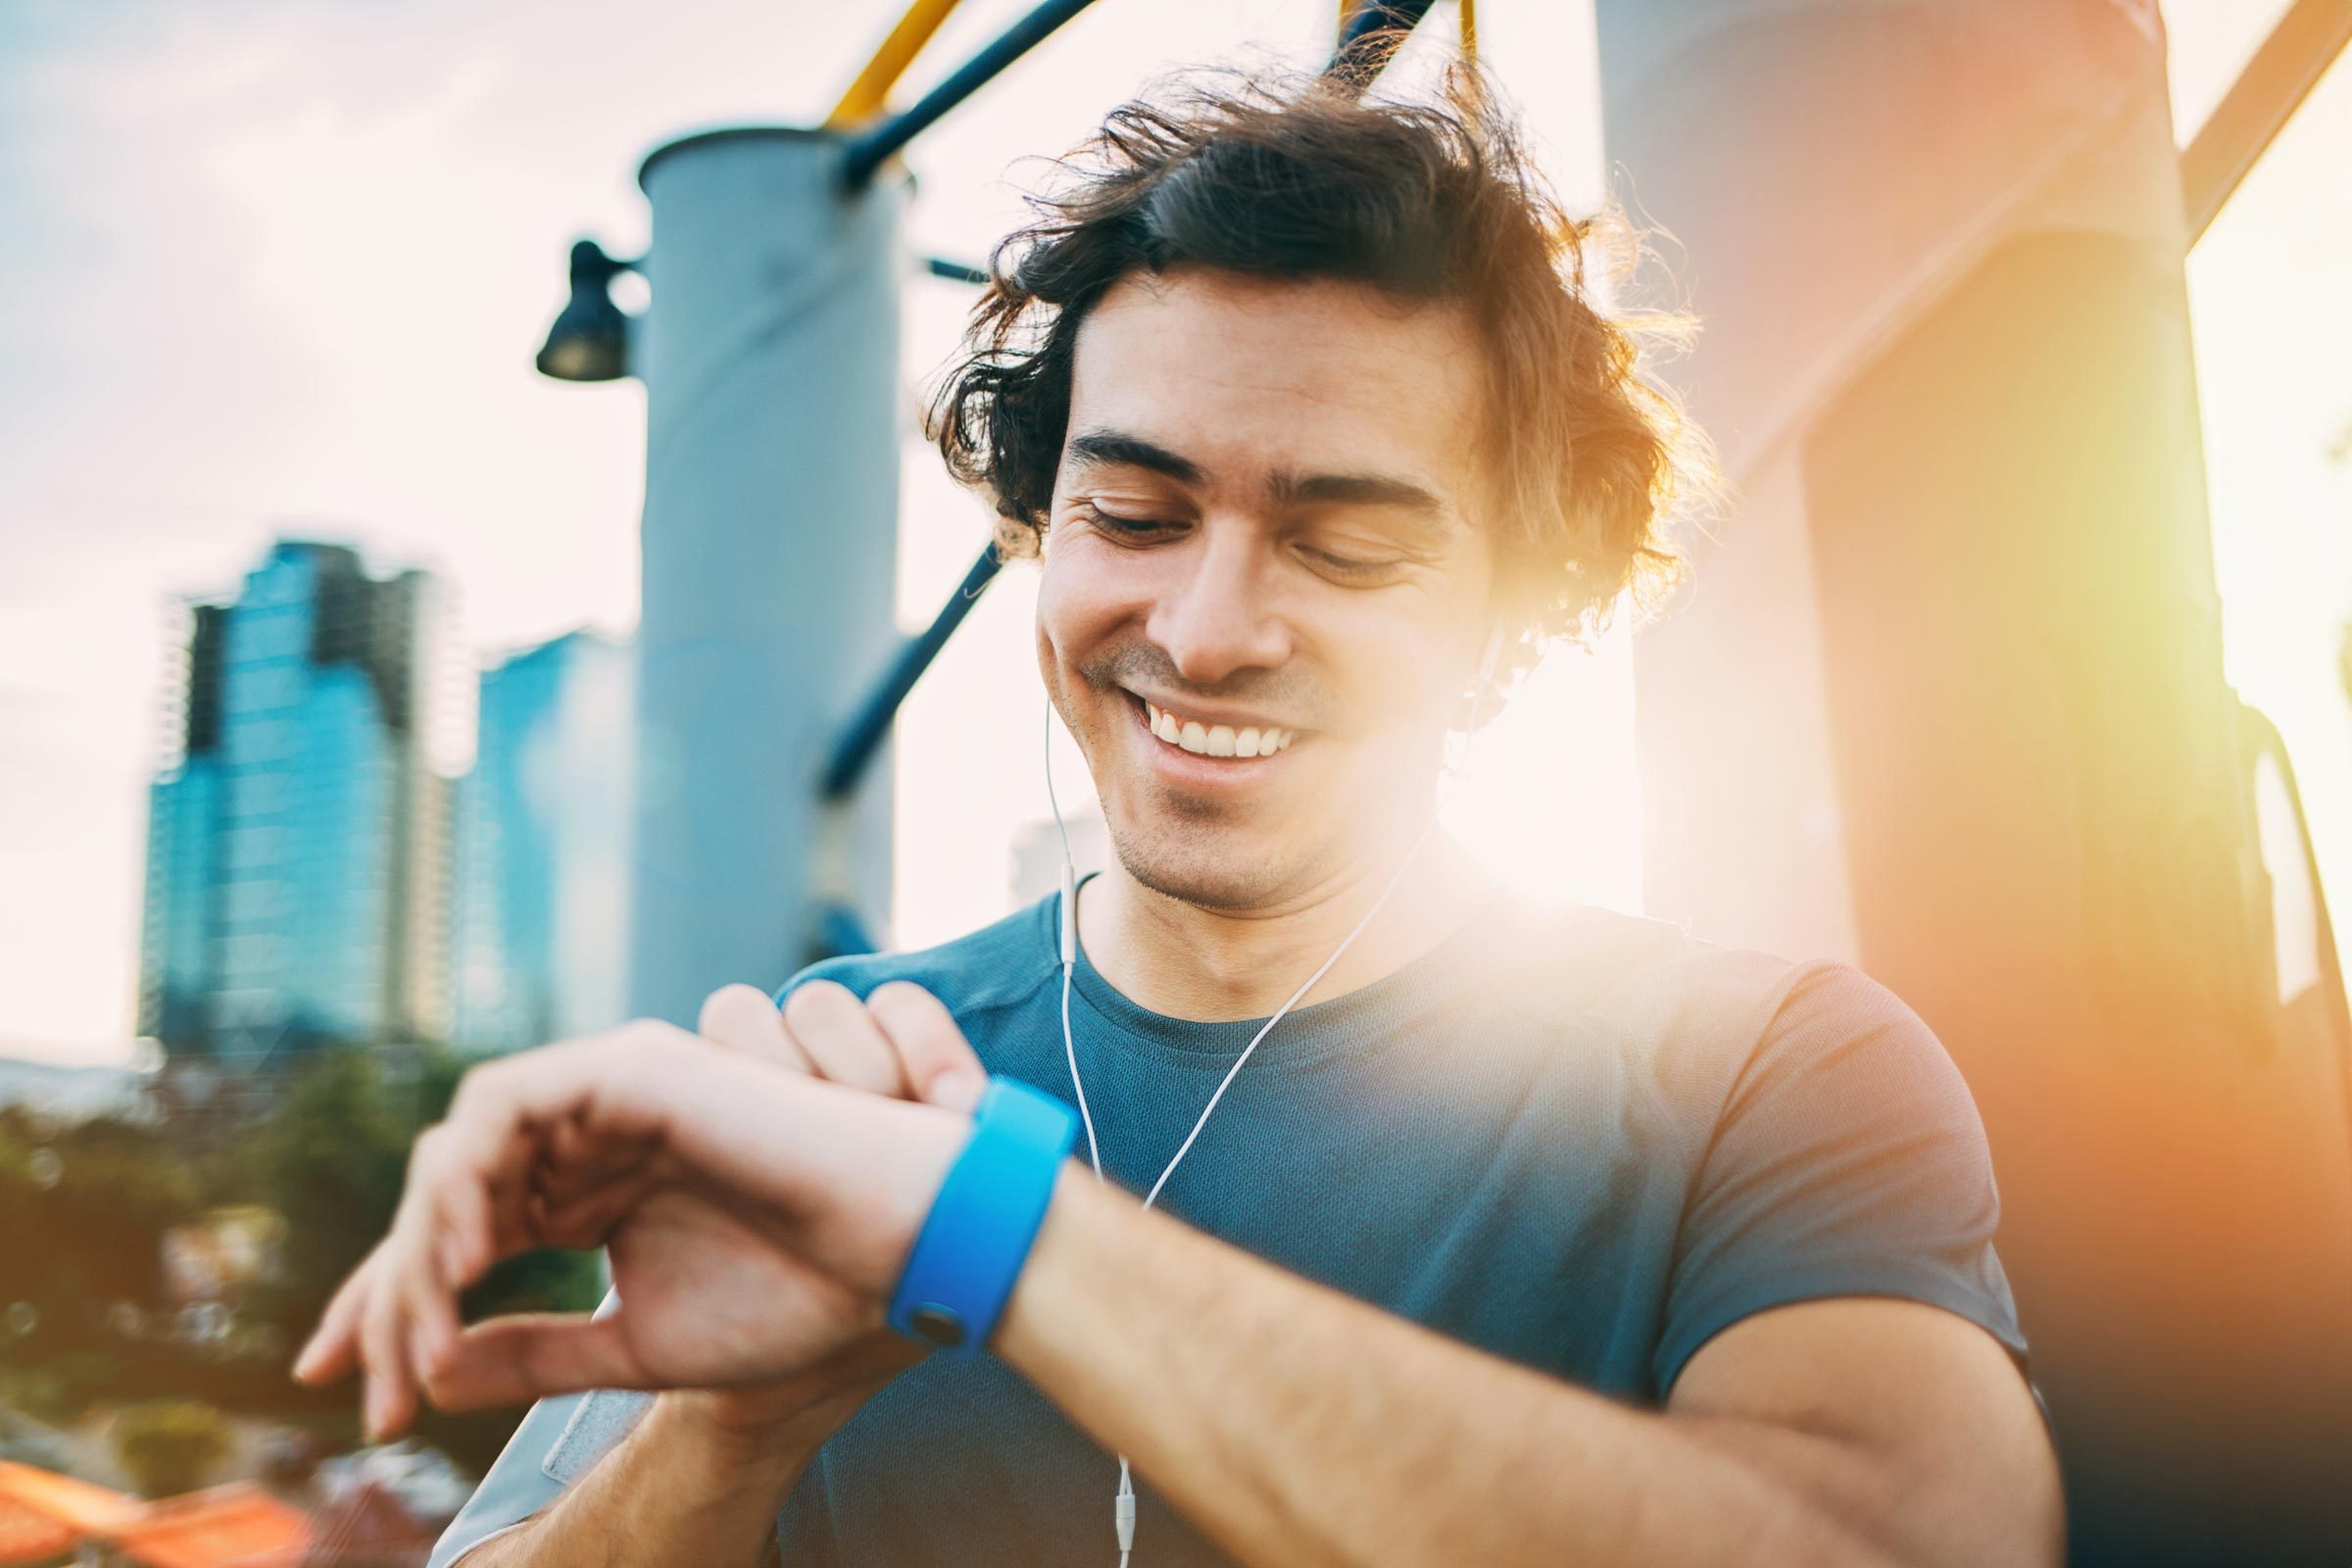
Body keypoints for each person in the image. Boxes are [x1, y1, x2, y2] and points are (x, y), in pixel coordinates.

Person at [297, 62, 2062, 1568]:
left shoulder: (1770, 1079)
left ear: (1521, 613)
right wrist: (733, 1427)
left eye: (1347, 544)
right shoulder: (829, 1078)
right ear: (1034, 531)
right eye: (1134, 515)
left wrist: (992, 1235)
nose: (1208, 630)